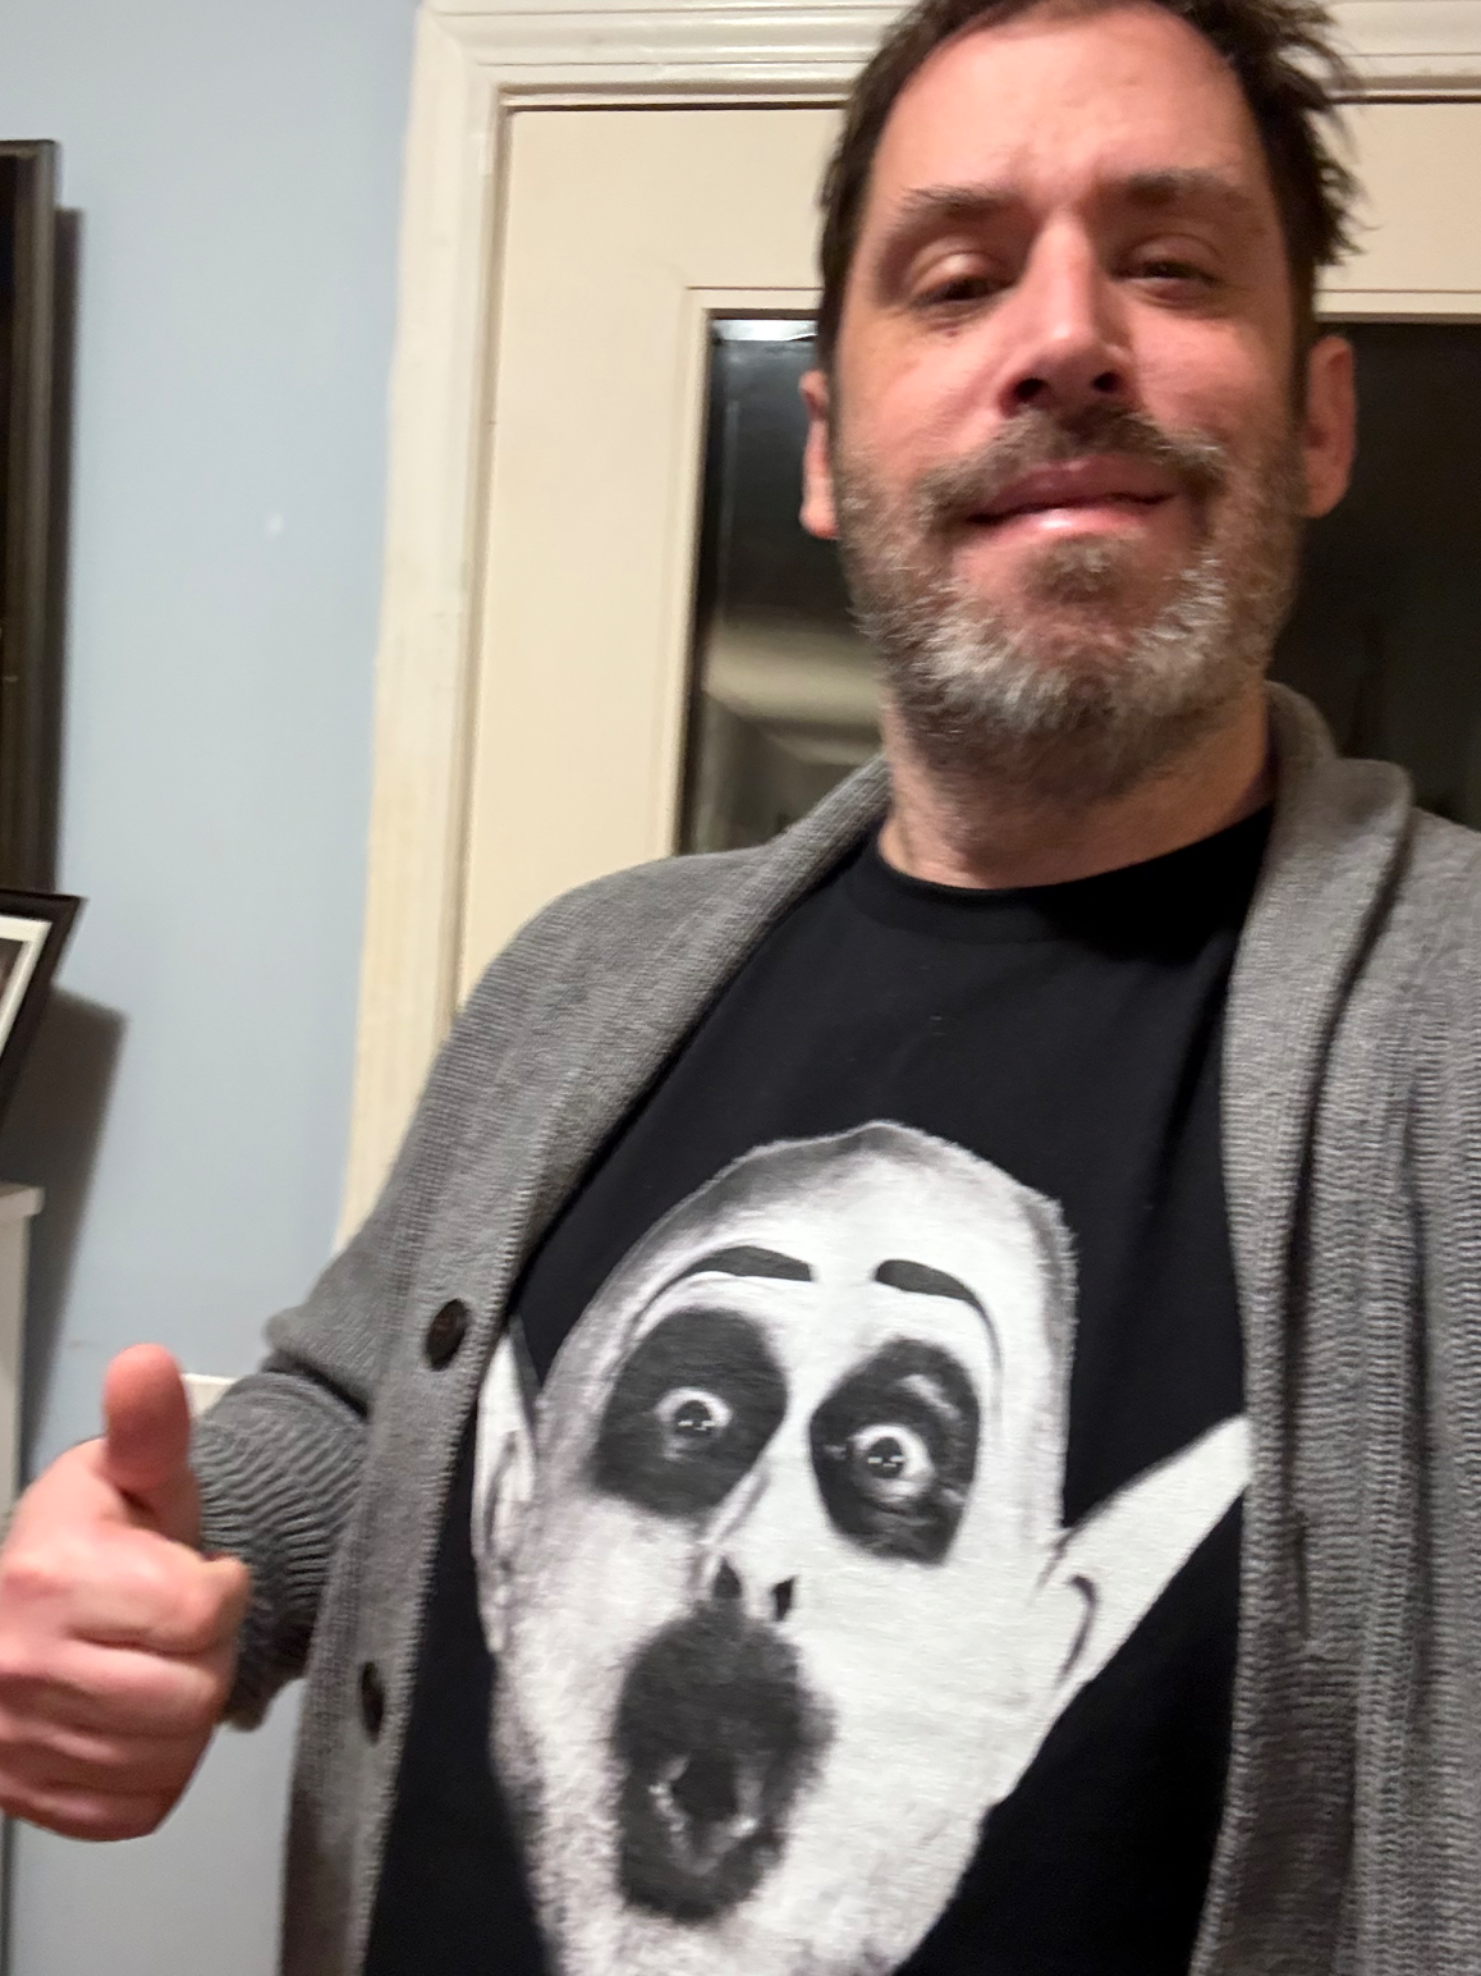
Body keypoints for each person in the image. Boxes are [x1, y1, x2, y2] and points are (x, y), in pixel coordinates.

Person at [2, 1, 1479, 1972]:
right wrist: (187, 1553)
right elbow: (372, 1413)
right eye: (956, 278)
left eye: (1170, 263)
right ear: (829, 451)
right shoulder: (581, 976)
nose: (1063, 339)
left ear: (1314, 422)